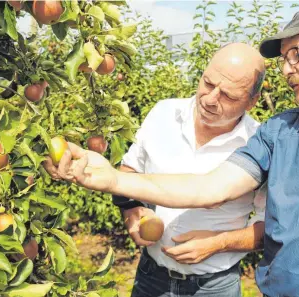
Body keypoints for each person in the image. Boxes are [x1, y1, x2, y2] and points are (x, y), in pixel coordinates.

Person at [43, 5, 299, 297]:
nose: (286, 69)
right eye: (285, 59)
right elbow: (210, 187)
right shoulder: (279, 133)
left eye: (295, 55)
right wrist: (112, 178)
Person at [53, 43, 267, 297]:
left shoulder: (259, 142)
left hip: (213, 286)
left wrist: (219, 244)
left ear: (252, 101)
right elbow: (131, 169)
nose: (210, 99)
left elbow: (272, 226)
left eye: (228, 96)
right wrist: (131, 212)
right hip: (151, 277)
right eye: (208, 83)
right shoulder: (164, 113)